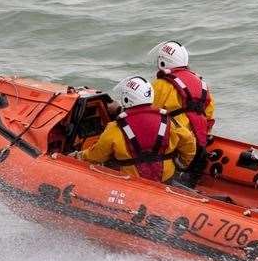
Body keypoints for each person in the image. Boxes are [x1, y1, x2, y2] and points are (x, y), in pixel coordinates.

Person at [73, 76, 196, 183]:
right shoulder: (170, 122)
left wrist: (78, 156)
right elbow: (189, 141)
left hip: (131, 182)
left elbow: (97, 155)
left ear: (126, 99)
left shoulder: (115, 128)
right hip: (165, 179)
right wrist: (183, 162)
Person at [148, 41, 216, 186]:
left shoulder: (160, 85)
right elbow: (209, 115)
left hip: (176, 146)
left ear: (162, 62)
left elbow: (146, 115)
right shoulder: (201, 83)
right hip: (199, 148)